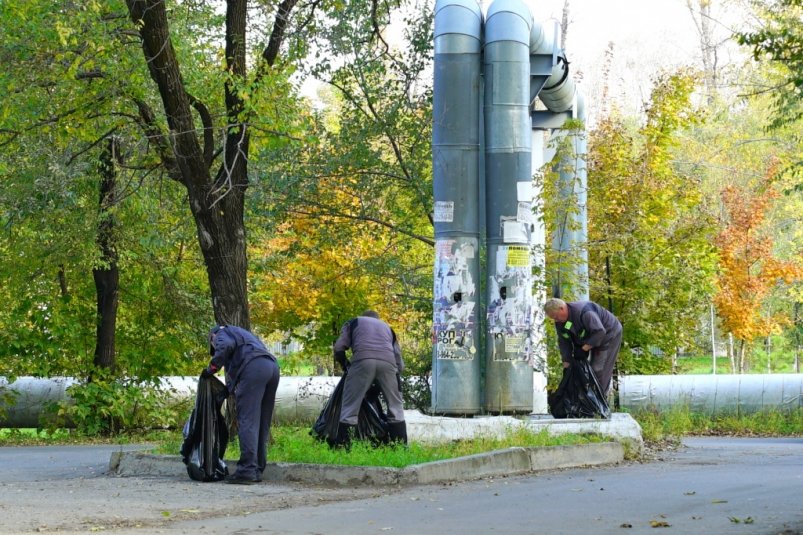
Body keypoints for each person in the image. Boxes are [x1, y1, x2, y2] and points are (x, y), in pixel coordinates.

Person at [203, 324, 280, 484]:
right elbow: (240, 358)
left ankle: (246, 470)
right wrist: (228, 390)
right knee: (261, 422)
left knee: (247, 420)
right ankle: (256, 469)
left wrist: (211, 368)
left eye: (212, 345)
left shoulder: (221, 333)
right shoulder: (244, 335)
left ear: (212, 337)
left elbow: (225, 346)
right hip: (272, 368)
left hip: (254, 369)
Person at [332, 310, 407, 448]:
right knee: (396, 407)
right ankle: (401, 447)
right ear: (377, 319)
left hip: (362, 361)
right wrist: (382, 383)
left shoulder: (355, 321)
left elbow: (338, 348)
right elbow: (400, 364)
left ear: (364, 316)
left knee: (350, 407)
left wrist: (345, 365)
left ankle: (343, 447)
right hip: (388, 363)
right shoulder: (388, 328)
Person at [544, 298, 622, 396]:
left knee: (598, 368)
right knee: (579, 370)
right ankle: (586, 401)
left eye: (555, 316)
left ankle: (600, 403)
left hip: (609, 334)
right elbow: (564, 341)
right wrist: (566, 362)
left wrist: (584, 349)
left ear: (562, 308)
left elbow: (599, 332)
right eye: (553, 318)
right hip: (589, 337)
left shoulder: (584, 312)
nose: (556, 320)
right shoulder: (560, 322)